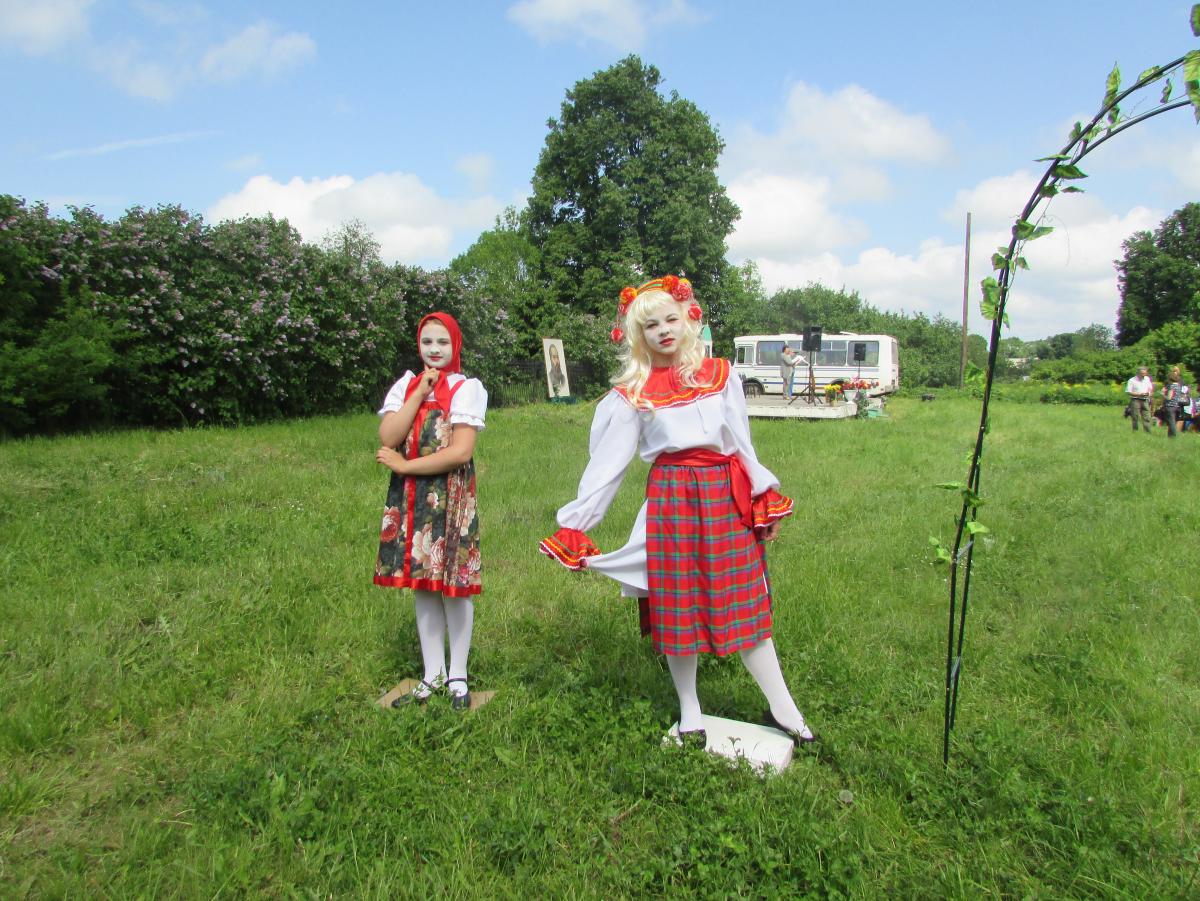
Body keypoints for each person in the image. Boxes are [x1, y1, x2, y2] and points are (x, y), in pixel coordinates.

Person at [539, 275, 816, 748]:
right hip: (672, 502)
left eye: (670, 319)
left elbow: (741, 442)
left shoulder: (720, 375)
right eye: (651, 325)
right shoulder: (634, 393)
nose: (664, 330)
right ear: (638, 334)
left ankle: (782, 706)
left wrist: (761, 496)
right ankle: (691, 709)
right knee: (678, 606)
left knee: (746, 600)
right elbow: (608, 465)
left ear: (688, 320)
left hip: (725, 497)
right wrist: (577, 524)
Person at [375, 313, 487, 709]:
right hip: (413, 498)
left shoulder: (466, 388)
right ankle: (432, 673)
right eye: (427, 342)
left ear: (455, 345)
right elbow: (389, 436)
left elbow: (460, 452)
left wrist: (405, 466)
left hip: (449, 494)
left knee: (454, 586)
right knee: (422, 584)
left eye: (442, 342)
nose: (434, 350)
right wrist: (419, 393)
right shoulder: (407, 385)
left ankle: (458, 675)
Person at [1125, 366, 1154, 433]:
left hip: (1145, 399)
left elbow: (1150, 389)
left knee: (1147, 416)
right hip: (1135, 400)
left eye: (1145, 373)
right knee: (1135, 416)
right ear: (1138, 373)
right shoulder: (1132, 380)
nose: (1144, 375)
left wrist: (1149, 393)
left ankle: (1147, 431)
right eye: (1142, 373)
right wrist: (1139, 394)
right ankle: (1135, 430)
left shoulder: (1147, 379)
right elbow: (1128, 391)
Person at [1160, 367, 1186, 439]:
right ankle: (1170, 436)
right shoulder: (1178, 386)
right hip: (1175, 405)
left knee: (1171, 422)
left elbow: (1169, 397)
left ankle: (1173, 436)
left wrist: (1162, 394)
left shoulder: (1172, 386)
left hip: (1170, 406)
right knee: (1172, 420)